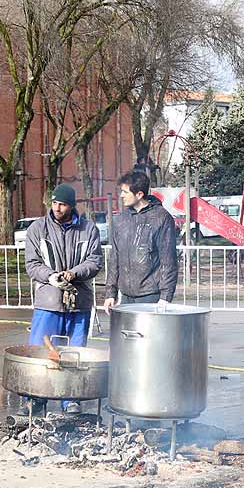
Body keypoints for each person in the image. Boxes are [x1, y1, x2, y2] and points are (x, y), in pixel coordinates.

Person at [24, 184, 104, 413]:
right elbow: (32, 263)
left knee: (75, 353)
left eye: (63, 204)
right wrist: (51, 277)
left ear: (72, 206)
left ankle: (71, 399)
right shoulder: (37, 229)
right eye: (55, 203)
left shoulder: (89, 229)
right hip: (48, 302)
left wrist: (74, 273)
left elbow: (95, 260)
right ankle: (35, 397)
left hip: (79, 302)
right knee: (41, 351)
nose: (58, 208)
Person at [103, 170, 178, 310]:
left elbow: (168, 260)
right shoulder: (120, 219)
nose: (121, 195)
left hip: (151, 295)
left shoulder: (161, 218)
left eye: (125, 192)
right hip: (125, 296)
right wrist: (110, 293)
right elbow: (114, 258)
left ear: (139, 194)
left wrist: (165, 297)